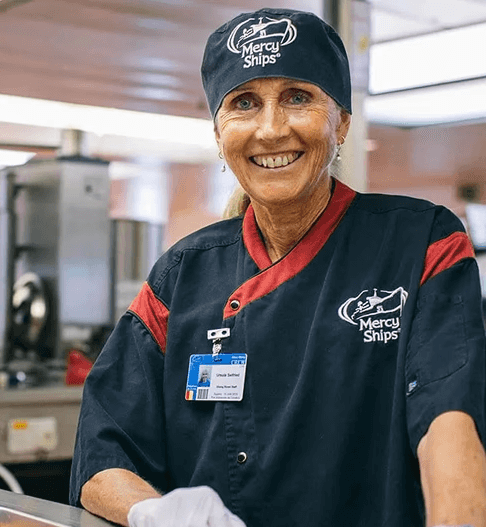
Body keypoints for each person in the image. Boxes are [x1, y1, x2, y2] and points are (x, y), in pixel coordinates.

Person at [69, 8, 486, 527]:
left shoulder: (420, 242)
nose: (270, 128)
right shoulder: (181, 277)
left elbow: (450, 421)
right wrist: (154, 512)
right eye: (244, 103)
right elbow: (101, 452)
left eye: (298, 97)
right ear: (219, 135)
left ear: (342, 124)